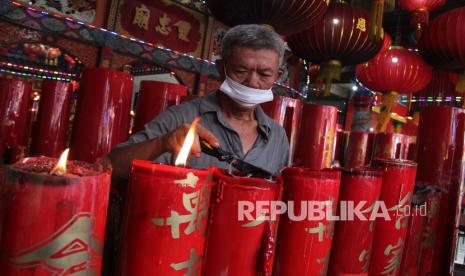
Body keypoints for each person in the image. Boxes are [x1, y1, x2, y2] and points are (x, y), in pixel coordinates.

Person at [108, 24, 290, 180]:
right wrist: (161, 143)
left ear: (277, 76)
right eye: (241, 70)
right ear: (221, 68)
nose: (252, 81)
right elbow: (111, 166)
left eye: (264, 74)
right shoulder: (181, 118)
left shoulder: (277, 136)